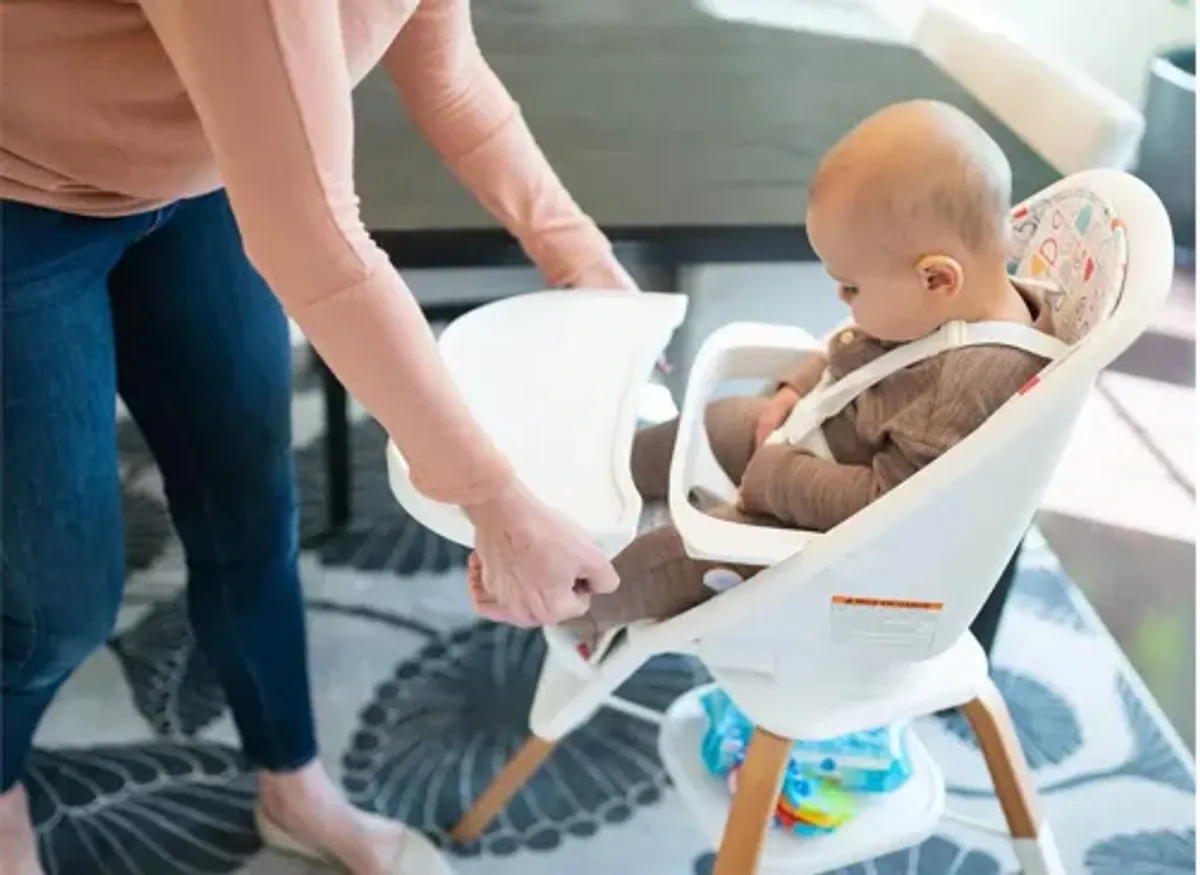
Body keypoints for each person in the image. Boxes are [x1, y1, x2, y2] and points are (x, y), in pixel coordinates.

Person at [0, 1, 629, 872]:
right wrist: (497, 503)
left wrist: (583, 261)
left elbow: (448, 76)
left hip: (196, 183)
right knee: (56, 604)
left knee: (251, 513)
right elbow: (317, 245)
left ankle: (295, 787)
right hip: (18, 195)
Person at [476, 101, 1067, 659]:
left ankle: (567, 602)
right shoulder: (951, 302)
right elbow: (870, 348)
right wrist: (797, 385)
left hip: (832, 544)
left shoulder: (969, 384)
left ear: (938, 278)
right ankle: (573, 491)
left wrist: (776, 477)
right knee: (710, 424)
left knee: (679, 556)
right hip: (822, 440)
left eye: (852, 288)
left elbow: (885, 507)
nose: (841, 298)